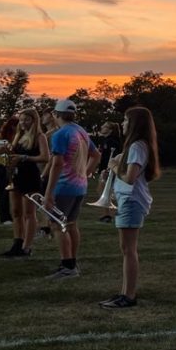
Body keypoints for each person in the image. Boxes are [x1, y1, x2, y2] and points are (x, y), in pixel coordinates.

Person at [101, 106, 160, 309]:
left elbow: (130, 177)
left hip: (132, 200)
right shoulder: (136, 146)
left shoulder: (137, 146)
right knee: (126, 249)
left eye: (126, 120)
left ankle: (129, 295)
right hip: (128, 200)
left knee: (129, 250)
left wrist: (115, 167)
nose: (123, 124)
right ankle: (125, 292)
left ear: (134, 124)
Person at [43, 98, 101, 279]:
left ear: (57, 114)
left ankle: (67, 265)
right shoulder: (81, 130)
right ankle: (72, 262)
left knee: (57, 225)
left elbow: (57, 164)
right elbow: (96, 155)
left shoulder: (60, 134)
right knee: (71, 224)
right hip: (79, 186)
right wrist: (85, 173)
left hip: (64, 186)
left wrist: (49, 192)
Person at [1, 107, 49, 258]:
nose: (22, 123)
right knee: (16, 212)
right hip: (17, 176)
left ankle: (26, 247)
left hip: (30, 177)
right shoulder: (19, 135)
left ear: (34, 120)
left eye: (26, 119)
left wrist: (24, 158)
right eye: (21, 120)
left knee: (29, 213)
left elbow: (45, 157)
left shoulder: (40, 137)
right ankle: (17, 242)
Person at [94, 121, 123, 223]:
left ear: (110, 130)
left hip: (109, 170)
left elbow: (113, 157)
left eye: (105, 126)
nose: (102, 127)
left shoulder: (111, 141)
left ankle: (108, 214)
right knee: (103, 191)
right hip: (106, 169)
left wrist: (109, 169)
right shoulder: (106, 140)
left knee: (106, 192)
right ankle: (107, 214)